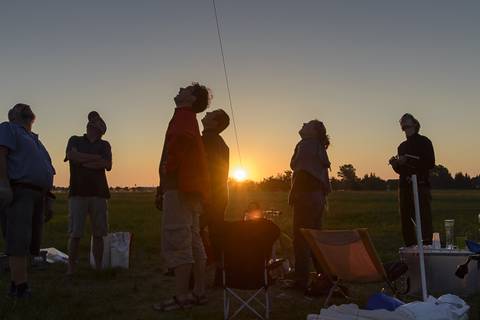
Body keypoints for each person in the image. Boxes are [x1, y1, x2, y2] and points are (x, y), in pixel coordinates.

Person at [155, 83, 211, 311]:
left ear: (191, 98)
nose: (179, 89)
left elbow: (179, 140)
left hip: (179, 187)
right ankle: (199, 291)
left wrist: (168, 167)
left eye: (186, 88)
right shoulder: (188, 117)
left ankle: (182, 297)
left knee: (178, 239)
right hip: (191, 189)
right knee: (192, 238)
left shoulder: (184, 115)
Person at [0, 103, 55, 298]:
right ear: (12, 116)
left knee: (31, 241)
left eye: (27, 106)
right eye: (19, 107)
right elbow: (1, 155)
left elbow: (48, 169)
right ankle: (21, 287)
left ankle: (16, 285)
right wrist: (4, 185)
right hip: (19, 190)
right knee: (18, 238)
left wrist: (48, 197)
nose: (25, 106)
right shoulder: (8, 128)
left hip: (38, 193)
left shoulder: (35, 139)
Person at [65, 111, 112, 275]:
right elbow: (72, 156)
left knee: (99, 233)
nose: (91, 125)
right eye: (90, 123)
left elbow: (106, 164)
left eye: (95, 124)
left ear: (100, 129)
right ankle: (71, 268)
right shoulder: (74, 140)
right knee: (75, 233)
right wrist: (95, 159)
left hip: (99, 194)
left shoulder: (105, 145)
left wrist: (82, 160)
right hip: (78, 192)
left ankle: (98, 267)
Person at [289, 120, 331, 290]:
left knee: (300, 238)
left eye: (309, 123)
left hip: (306, 196)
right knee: (314, 237)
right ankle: (324, 275)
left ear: (314, 131)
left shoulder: (306, 145)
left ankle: (301, 280)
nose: (304, 123)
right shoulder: (317, 146)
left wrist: (295, 194)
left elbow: (301, 171)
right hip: (317, 197)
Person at [389, 113, 435, 247]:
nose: (405, 130)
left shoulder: (425, 142)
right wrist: (396, 165)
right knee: (405, 220)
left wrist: (408, 160)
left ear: (415, 124)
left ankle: (427, 247)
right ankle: (410, 248)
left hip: (420, 185)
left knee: (424, 219)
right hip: (404, 187)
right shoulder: (401, 146)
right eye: (403, 128)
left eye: (407, 126)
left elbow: (430, 163)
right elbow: (401, 171)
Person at [200, 109, 229, 275]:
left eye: (212, 113)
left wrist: (203, 196)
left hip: (210, 196)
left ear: (215, 123)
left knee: (194, 231)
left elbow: (208, 171)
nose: (207, 112)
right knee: (216, 234)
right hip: (218, 196)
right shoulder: (220, 142)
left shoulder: (208, 140)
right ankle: (219, 272)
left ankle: (201, 269)